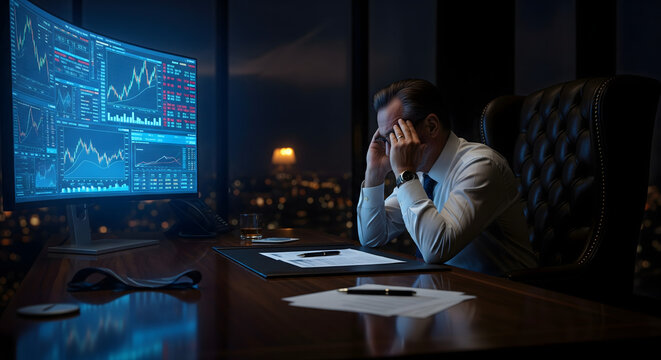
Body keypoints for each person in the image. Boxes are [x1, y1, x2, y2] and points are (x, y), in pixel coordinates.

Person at [356, 79, 537, 276]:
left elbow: (436, 250)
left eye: (396, 136)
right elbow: (371, 237)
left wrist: (405, 173)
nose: (390, 151)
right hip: (449, 291)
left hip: (505, 295)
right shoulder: (420, 174)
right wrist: (374, 174)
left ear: (431, 126)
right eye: (385, 139)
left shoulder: (480, 166)